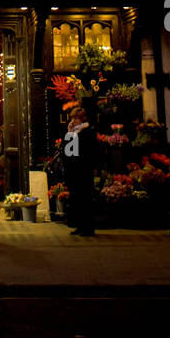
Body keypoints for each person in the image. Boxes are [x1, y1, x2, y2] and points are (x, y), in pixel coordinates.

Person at [62, 100, 97, 236]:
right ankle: (81, 226)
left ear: (82, 119)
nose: (73, 121)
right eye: (72, 118)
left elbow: (81, 151)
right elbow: (68, 151)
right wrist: (70, 133)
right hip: (74, 171)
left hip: (83, 171)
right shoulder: (75, 132)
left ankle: (87, 227)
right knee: (76, 199)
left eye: (75, 118)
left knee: (84, 199)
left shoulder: (87, 132)